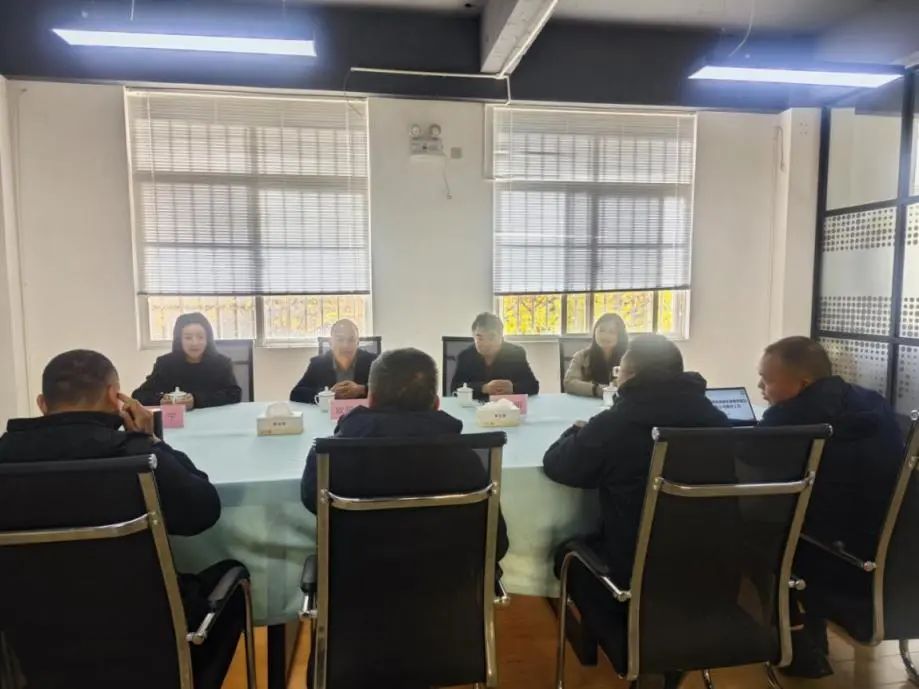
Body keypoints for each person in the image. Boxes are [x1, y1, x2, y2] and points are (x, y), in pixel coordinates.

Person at [0, 350, 240, 681]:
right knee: (233, 582)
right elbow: (202, 511)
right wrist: (152, 440)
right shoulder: (134, 454)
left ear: (42, 403)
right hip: (143, 635)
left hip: (31, 640)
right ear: (115, 397)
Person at [543, 335, 728, 689]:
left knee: (568, 557)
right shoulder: (717, 419)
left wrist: (575, 432)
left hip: (634, 574)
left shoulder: (617, 424)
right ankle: (668, 656)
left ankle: (641, 653)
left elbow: (560, 466)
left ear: (629, 375)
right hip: (710, 571)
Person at [757, 336, 904, 678]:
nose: (761, 387)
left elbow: (758, 477)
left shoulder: (787, 422)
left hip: (832, 557)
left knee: (758, 533)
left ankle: (796, 644)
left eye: (767, 379)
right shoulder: (875, 404)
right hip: (891, 556)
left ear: (803, 384)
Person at [301, 347, 508, 559]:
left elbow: (312, 502)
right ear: (437, 404)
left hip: (356, 575)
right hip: (448, 577)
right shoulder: (466, 458)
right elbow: (497, 543)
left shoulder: (330, 455)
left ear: (370, 400)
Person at [132, 312, 241, 409]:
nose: (194, 343)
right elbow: (139, 395)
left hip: (213, 418)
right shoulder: (165, 364)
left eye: (200, 337)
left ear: (207, 339)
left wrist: (196, 401)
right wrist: (160, 400)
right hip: (177, 420)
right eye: (188, 338)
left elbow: (234, 394)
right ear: (180, 340)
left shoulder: (221, 363)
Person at [449, 313, 539, 401]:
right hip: (474, 407)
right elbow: (454, 388)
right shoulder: (465, 356)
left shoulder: (516, 353)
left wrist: (513, 388)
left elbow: (533, 386)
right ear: (474, 337)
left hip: (506, 406)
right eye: (480, 338)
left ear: (501, 336)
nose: (486, 343)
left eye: (491, 337)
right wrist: (483, 388)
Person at [290, 319, 376, 403]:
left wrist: (362, 389)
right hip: (328, 412)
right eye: (340, 339)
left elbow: (384, 390)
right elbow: (296, 393)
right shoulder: (318, 364)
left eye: (351, 340)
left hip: (362, 411)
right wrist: (328, 394)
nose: (345, 345)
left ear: (357, 342)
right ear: (330, 342)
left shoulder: (373, 362)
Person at [564, 313, 629, 397]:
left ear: (620, 336)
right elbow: (569, 383)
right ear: (595, 332)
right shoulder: (582, 356)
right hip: (589, 401)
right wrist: (598, 390)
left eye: (612, 332)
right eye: (601, 330)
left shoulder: (630, 358)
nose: (605, 336)